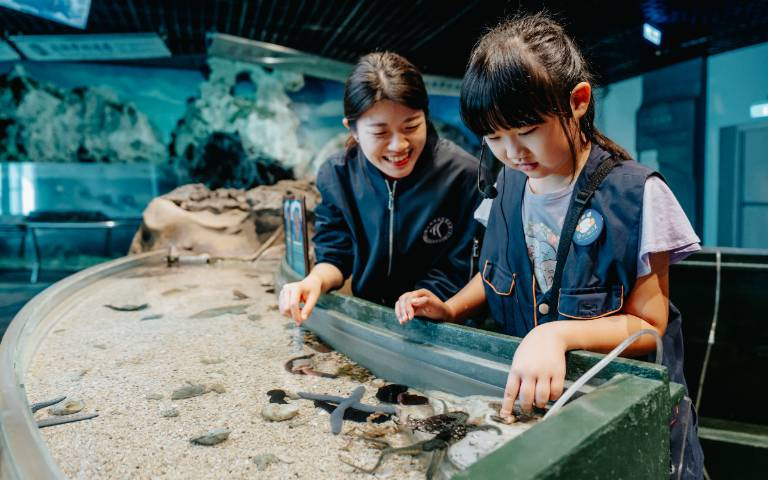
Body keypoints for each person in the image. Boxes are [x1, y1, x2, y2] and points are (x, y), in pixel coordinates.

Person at [394, 14, 704, 479]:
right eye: (494, 137)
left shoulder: (637, 194)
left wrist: (555, 334)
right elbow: (499, 270)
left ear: (577, 101)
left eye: (526, 129)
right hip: (539, 410)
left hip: (621, 416)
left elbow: (649, 325)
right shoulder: (506, 187)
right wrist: (452, 309)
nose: (513, 152)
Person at [279, 52, 481, 325]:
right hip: (372, 318)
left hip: (438, 324)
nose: (399, 145)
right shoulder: (338, 175)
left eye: (411, 126)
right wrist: (314, 281)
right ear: (352, 130)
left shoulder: (463, 175)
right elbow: (336, 255)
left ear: (425, 116)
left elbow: (462, 266)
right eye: (380, 133)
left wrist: (424, 298)